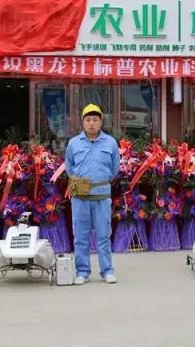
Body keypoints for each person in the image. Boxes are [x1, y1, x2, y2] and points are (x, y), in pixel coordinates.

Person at [65, 104, 120, 284]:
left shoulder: (110, 143)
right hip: (80, 198)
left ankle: (107, 271)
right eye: (88, 120)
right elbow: (69, 167)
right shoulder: (74, 143)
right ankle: (82, 272)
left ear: (101, 122)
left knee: (103, 235)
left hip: (102, 197)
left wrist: (99, 183)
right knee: (81, 236)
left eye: (95, 120)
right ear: (83, 122)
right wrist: (82, 183)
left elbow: (114, 169)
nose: (91, 124)